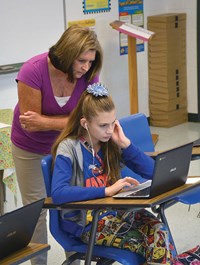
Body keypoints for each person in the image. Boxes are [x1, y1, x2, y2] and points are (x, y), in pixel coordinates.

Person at [51, 83, 176, 265]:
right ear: (85, 123)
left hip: (117, 213)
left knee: (160, 232)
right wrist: (106, 191)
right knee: (153, 244)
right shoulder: (68, 148)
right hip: (88, 224)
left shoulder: (111, 142)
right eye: (103, 125)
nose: (109, 130)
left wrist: (126, 144)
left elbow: (152, 173)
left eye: (113, 123)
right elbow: (59, 193)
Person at [11, 24, 103, 265]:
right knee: (37, 209)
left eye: (90, 61)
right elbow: (31, 124)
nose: (86, 67)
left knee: (72, 203)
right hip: (29, 147)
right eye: (81, 60)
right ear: (66, 54)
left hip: (68, 146)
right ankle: (38, 262)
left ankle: (74, 258)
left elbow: (93, 118)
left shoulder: (90, 75)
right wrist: (72, 122)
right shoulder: (33, 70)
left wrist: (46, 121)